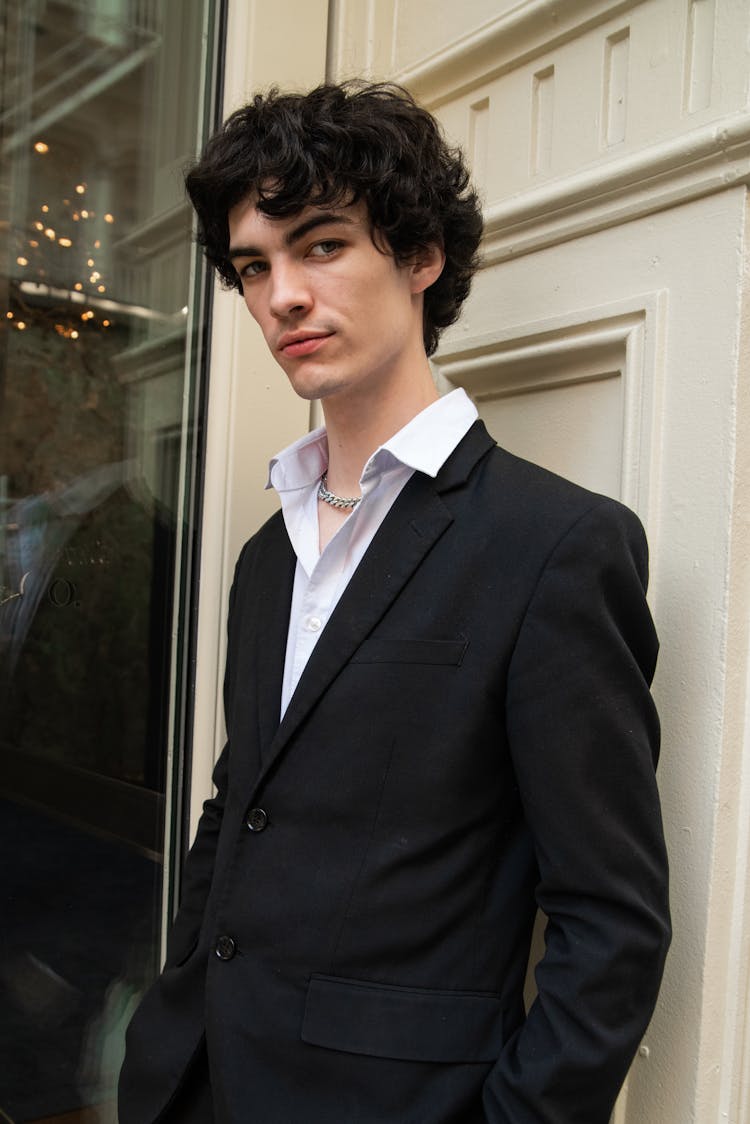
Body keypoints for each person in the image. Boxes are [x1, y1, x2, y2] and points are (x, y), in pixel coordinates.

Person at [118, 81, 670, 1124]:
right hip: (194, 1082)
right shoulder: (264, 553)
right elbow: (242, 804)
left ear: (421, 257)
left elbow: (613, 919)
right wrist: (173, 1004)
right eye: (253, 266)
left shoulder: (554, 546)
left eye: (320, 244)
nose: (281, 295)